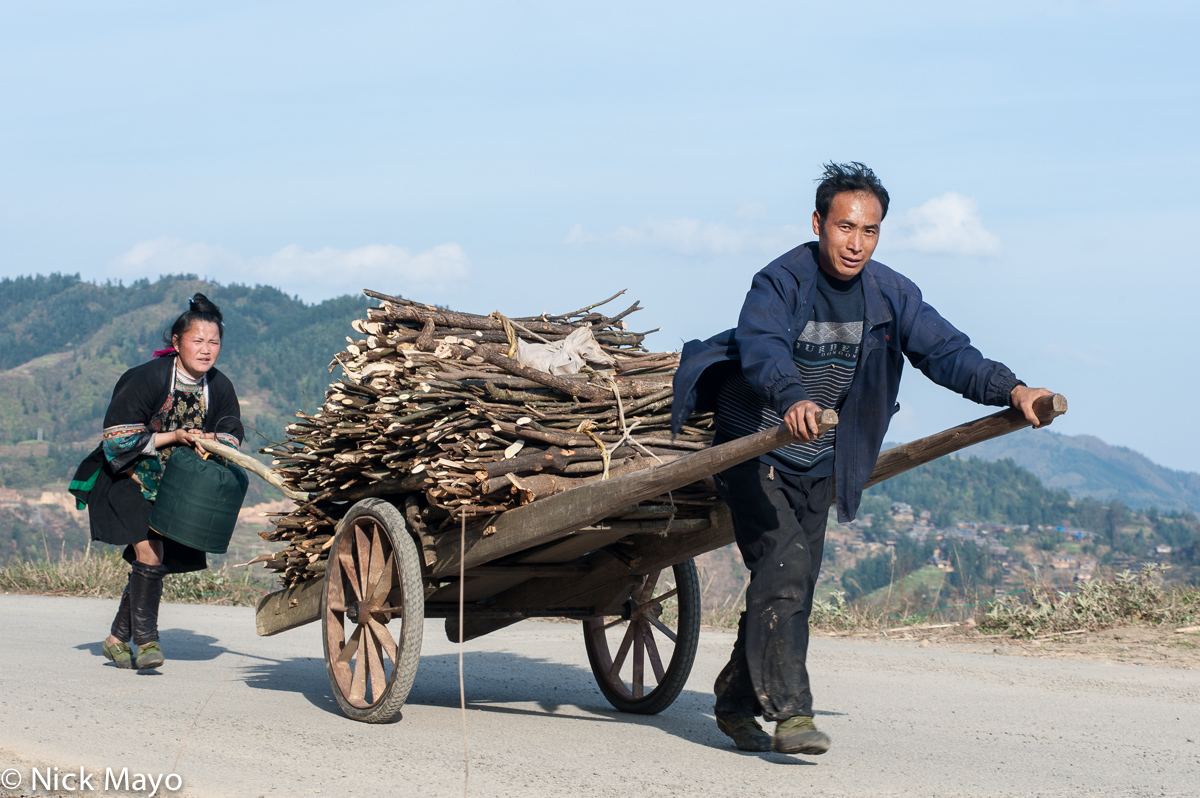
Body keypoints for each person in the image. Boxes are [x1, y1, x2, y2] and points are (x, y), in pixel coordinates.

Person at [670, 163, 1053, 755]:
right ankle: (793, 714)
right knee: (785, 564)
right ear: (819, 222)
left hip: (822, 460)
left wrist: (1013, 389)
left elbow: (948, 352)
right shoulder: (779, 282)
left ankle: (735, 701)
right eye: (845, 227)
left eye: (870, 231)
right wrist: (791, 395)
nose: (856, 243)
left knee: (790, 577)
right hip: (753, 446)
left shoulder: (892, 294)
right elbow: (763, 346)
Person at [70, 294, 244, 670]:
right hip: (126, 475)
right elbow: (117, 441)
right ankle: (148, 642)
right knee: (150, 553)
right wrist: (175, 436)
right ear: (177, 343)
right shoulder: (146, 378)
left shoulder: (220, 386)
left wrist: (216, 443)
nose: (206, 349)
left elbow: (230, 428)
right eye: (197, 340)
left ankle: (117, 638)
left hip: (174, 487)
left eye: (213, 342)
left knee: (153, 560)